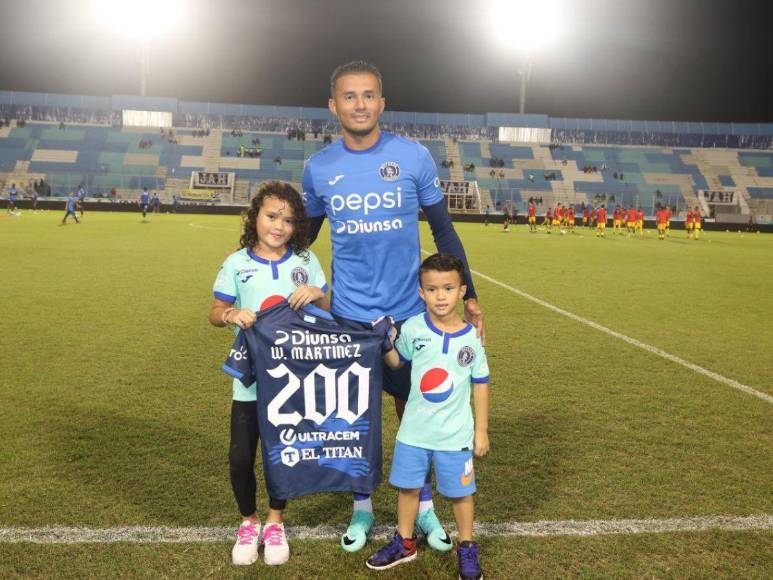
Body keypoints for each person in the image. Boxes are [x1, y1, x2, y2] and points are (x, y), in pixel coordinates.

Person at [302, 60, 483, 553]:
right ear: (333, 106)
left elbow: (443, 231)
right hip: (349, 317)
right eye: (349, 96)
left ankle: (423, 509)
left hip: (409, 315)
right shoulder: (318, 168)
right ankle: (361, 509)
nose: (359, 104)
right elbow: (304, 239)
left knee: (417, 413)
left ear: (382, 103)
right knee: (353, 418)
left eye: (368, 95)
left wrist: (469, 296)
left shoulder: (413, 157)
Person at [208, 181, 329, 567]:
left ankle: (276, 521)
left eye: (288, 220)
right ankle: (248, 522)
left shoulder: (305, 261)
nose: (279, 226)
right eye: (272, 216)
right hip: (250, 379)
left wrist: (317, 294)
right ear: (255, 216)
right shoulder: (236, 263)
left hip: (292, 380)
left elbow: (327, 310)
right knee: (241, 456)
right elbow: (215, 312)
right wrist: (231, 314)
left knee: (283, 454)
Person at [366, 254, 489, 579]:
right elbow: (397, 363)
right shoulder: (414, 328)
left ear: (462, 290)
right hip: (414, 432)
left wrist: (481, 430)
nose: (440, 296)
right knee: (408, 488)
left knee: (461, 494)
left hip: (455, 435)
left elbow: (480, 382)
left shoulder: (471, 337)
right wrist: (386, 344)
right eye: (432, 289)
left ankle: (467, 547)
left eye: (448, 288)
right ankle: (404, 542)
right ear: (421, 293)